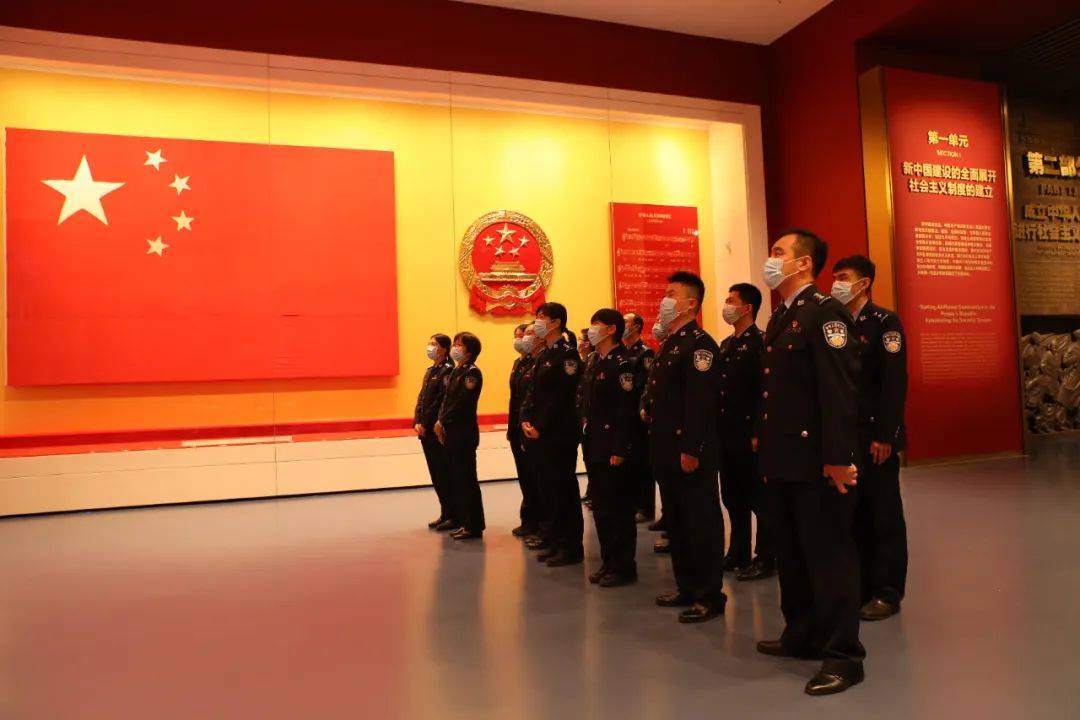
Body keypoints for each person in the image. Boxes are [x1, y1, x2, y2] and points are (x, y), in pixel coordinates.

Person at [754, 229, 864, 696]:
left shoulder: (825, 313)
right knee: (792, 555)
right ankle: (801, 633)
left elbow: (839, 392)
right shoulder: (783, 315)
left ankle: (843, 656)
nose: (770, 259)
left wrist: (838, 458)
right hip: (784, 459)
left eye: (778, 253)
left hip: (817, 462)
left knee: (828, 558)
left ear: (802, 264)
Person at [831, 255, 909, 622]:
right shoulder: (836, 323)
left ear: (863, 283)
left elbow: (893, 382)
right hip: (846, 435)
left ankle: (887, 591)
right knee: (855, 513)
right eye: (834, 276)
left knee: (883, 513)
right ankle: (861, 585)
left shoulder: (884, 322)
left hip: (874, 435)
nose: (836, 283)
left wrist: (885, 434)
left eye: (843, 277)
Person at [646, 271, 726, 623]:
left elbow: (700, 402)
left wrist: (692, 448)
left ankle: (709, 595)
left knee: (699, 523)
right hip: (667, 449)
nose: (664, 300)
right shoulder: (671, 343)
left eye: (671, 294)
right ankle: (686, 586)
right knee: (677, 523)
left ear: (690, 303)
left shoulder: (699, 345)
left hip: (689, 451)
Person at [717, 283, 776, 581]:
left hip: (750, 434)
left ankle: (766, 556)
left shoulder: (760, 343)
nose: (726, 305)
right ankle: (738, 551)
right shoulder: (726, 344)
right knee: (733, 496)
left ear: (747, 308)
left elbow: (764, 392)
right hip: (727, 434)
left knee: (760, 500)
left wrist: (759, 432)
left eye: (731, 301)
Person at [520, 303, 584, 566]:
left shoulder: (567, 354)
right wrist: (525, 419)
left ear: (556, 322)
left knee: (562, 490)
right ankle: (554, 541)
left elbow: (561, 397)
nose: (537, 322)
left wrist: (540, 425)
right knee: (547, 490)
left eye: (541, 317)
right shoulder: (543, 354)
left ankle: (570, 547)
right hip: (539, 433)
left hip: (558, 433)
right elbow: (532, 393)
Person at [585, 309, 640, 587]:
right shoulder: (596, 361)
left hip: (613, 448)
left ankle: (623, 566)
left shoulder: (623, 363)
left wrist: (620, 448)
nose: (591, 329)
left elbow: (625, 410)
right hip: (595, 444)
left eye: (596, 324)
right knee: (602, 509)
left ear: (611, 330)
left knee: (619, 510)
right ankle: (608, 561)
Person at [435, 332, 486, 541]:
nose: (455, 347)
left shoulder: (472, 373)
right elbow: (447, 400)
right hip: (452, 432)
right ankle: (465, 521)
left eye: (459, 345)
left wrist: (443, 421)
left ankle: (473, 525)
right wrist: (441, 420)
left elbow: (462, 403)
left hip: (463, 433)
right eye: (455, 344)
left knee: (467, 480)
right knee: (458, 479)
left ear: (469, 351)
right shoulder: (457, 371)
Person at [414, 334, 456, 530]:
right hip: (425, 430)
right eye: (429, 343)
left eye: (434, 344)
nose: (430, 347)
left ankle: (453, 514)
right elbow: (422, 399)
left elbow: (440, 401)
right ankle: (445, 512)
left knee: (445, 473)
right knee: (436, 474)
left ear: (444, 349)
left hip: (436, 429)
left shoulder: (447, 371)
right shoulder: (431, 370)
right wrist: (417, 421)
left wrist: (426, 422)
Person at [623, 313, 658, 524]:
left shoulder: (645, 353)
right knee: (628, 462)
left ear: (636, 326)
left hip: (638, 415)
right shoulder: (622, 352)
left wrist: (642, 409)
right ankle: (631, 502)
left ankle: (645, 507)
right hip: (623, 415)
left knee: (642, 462)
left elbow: (645, 385)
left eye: (625, 322)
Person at [508, 323, 540, 539]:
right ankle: (528, 520)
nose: (520, 340)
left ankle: (537, 523)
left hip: (529, 428)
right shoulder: (519, 363)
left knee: (534, 479)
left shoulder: (536, 362)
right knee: (525, 479)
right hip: (517, 427)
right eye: (518, 336)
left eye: (525, 335)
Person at [576, 328, 599, 507]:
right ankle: (592, 491)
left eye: (583, 340)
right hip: (584, 416)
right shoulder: (586, 360)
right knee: (588, 457)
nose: (580, 343)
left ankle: (596, 493)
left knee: (595, 459)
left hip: (594, 418)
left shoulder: (595, 359)